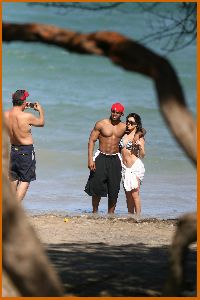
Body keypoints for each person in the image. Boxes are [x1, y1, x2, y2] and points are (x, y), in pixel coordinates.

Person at [84, 102, 126, 213]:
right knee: (96, 186)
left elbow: (139, 131)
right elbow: (91, 141)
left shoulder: (124, 127)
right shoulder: (101, 124)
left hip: (115, 158)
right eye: (113, 111)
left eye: (117, 112)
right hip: (101, 156)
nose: (115, 114)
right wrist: (90, 159)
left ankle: (111, 214)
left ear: (122, 114)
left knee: (114, 188)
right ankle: (94, 212)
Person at [4, 89, 45, 202]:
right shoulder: (26, 116)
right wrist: (40, 110)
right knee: (25, 180)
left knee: (13, 178)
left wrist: (20, 109)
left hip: (13, 150)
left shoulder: (5, 115)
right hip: (25, 151)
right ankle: (15, 208)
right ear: (23, 102)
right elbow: (41, 123)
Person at [119, 113, 146, 215]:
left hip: (135, 167)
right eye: (128, 121)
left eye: (132, 122)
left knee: (135, 194)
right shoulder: (124, 133)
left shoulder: (139, 137)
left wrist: (140, 147)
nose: (129, 123)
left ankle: (138, 217)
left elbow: (143, 155)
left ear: (136, 124)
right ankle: (130, 215)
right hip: (125, 168)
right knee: (127, 195)